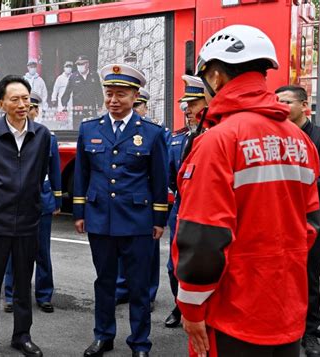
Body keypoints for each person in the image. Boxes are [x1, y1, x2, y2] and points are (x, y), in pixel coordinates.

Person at [172, 25, 320, 357]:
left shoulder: (218, 141)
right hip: (286, 310)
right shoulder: (300, 140)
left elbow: (203, 237)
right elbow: (311, 225)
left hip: (232, 315)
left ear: (215, 76)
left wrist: (192, 308)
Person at [73, 63, 168, 357]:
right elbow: (81, 173)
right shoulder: (90, 129)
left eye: (121, 95)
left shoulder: (151, 133)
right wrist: (80, 212)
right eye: (109, 94)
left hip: (137, 221)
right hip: (100, 219)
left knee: (138, 287)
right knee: (104, 283)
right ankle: (104, 335)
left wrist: (159, 219)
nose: (114, 100)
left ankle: (140, 342)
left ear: (135, 96)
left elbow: (159, 178)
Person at [0, 75, 51, 357]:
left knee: (22, 283)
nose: (22, 104)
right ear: (2, 103)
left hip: (28, 221)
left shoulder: (41, 135)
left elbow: (40, 175)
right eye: (14, 99)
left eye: (26, 98)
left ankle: (22, 336)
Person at [275, 85, 320, 357]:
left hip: (309, 220)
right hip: (276, 219)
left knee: (309, 277)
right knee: (276, 276)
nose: (280, 105)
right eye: (276, 100)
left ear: (303, 106)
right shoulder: (273, 136)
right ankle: (279, 327)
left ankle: (310, 333)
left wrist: (285, 189)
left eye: (286, 101)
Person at [3, 91, 62, 314]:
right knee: (12, 251)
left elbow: (54, 170)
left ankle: (44, 294)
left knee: (42, 251)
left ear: (36, 111)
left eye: (31, 108)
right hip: (14, 202)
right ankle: (11, 294)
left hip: (41, 199)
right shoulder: (7, 136)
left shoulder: (48, 137)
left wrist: (57, 199)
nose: (27, 111)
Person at [115, 87, 163, 312]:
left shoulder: (155, 132)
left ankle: (149, 293)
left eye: (138, 106)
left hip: (144, 205)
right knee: (122, 254)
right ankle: (123, 288)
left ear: (144, 107)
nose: (134, 110)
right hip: (123, 204)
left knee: (148, 256)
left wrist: (158, 213)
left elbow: (159, 175)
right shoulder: (118, 131)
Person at [165, 74, 206, 329]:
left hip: (207, 211)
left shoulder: (218, 136)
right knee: (174, 266)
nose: (187, 110)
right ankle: (179, 306)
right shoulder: (178, 139)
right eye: (186, 104)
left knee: (204, 264)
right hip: (181, 209)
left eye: (193, 103)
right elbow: (171, 177)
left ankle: (204, 311)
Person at [61, 55, 104, 130]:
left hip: (91, 107)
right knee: (78, 130)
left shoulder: (94, 75)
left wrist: (100, 104)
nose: (79, 66)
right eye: (78, 64)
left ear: (87, 64)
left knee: (92, 129)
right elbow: (67, 91)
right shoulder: (73, 77)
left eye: (82, 64)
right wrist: (64, 104)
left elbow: (98, 91)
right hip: (78, 108)